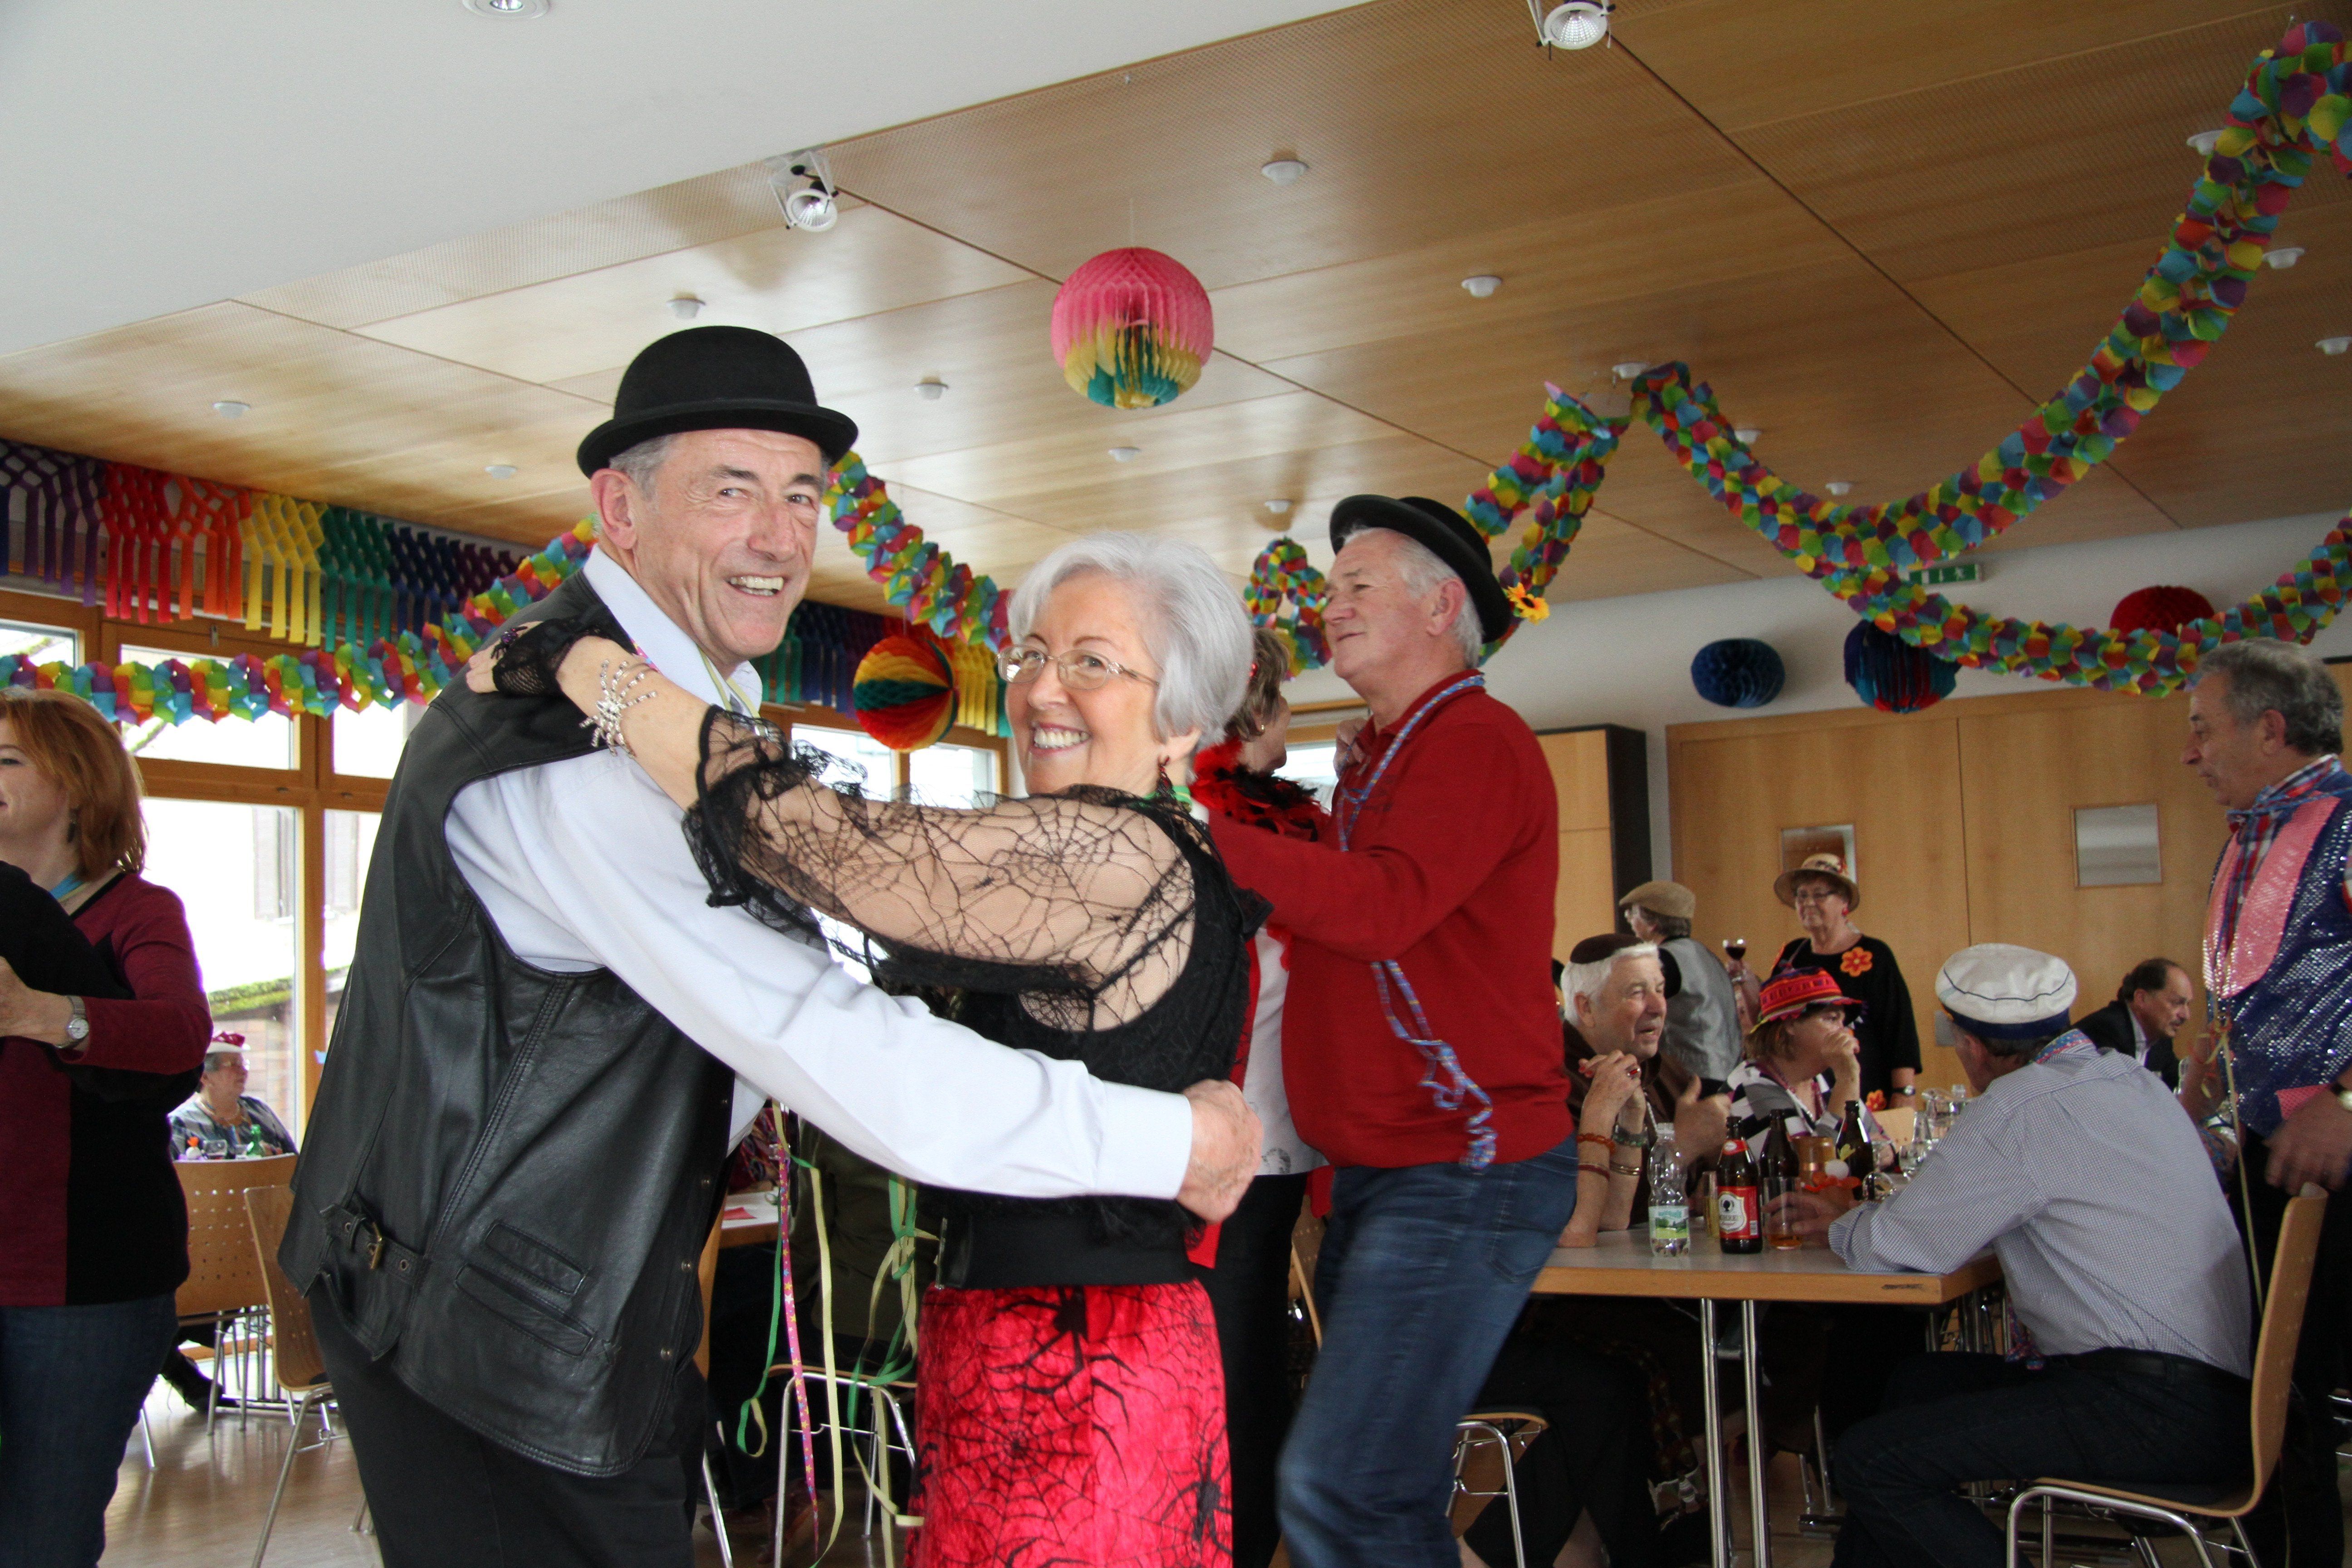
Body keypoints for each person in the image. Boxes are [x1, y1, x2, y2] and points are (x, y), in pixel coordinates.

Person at [283, 325, 1260, 1568]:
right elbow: (823, 1030)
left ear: (1182, 721)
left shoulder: (638, 715)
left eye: (801, 495)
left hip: (1065, 1362)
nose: (779, 536)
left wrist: (598, 671)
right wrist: (1174, 1142)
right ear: (618, 509)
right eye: (731, 490)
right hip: (492, 1336)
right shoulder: (581, 760)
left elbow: (831, 896)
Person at [481, 527, 1260, 1566]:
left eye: (1093, 662)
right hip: (1018, 1342)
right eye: (1031, 653)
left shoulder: (1124, 854)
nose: (1042, 689)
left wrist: (590, 668)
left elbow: (831, 848)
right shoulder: (1107, 854)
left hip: (1086, 1368)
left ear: (1181, 725)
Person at [1205, 494, 1578, 1568]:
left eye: (1358, 586)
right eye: (1330, 590)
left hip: (1461, 1167)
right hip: (1390, 1169)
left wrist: (1197, 835)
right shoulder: (1381, 759)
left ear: (1442, 604)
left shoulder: (1475, 739)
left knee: (1342, 1485)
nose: (1331, 607)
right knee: (1383, 1493)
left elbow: (1382, 908)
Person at [1781, 944, 2255, 1568]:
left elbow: (1898, 1248)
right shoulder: (2129, 1077)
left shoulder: (2018, 1106)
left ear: (1972, 1046)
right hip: (2221, 1402)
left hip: (2154, 1411)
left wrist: (1843, 1223)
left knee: (1872, 1461)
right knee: (1917, 1383)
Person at [0, 687, 212, 1568]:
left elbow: (179, 1038)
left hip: (81, 1286)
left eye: (6, 760)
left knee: (39, 1538)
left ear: (77, 786)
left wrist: (41, 1013)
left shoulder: (136, 911)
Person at [1464, 933, 1730, 1568]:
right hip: (1477, 1318)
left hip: (1520, 1297)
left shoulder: (1617, 1070)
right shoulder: (1513, 1086)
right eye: (1639, 992)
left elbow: (1611, 1218)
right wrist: (1613, 1124)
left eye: (1661, 990)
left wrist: (1631, 1126)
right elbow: (1579, 1229)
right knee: (1619, 1377)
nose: (1658, 1006)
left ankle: (1626, 1547)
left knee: (1661, 1359)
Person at [2178, 637, 2352, 1567]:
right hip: (2269, 1146)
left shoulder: (2347, 821)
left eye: (2202, 729)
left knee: (2299, 1382)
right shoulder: (2247, 835)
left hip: (2334, 1144)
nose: (2190, 753)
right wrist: (2204, 1077)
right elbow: (2252, 988)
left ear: (2269, 729)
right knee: (2277, 1383)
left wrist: (2345, 1103)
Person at [1190, 626, 1330, 1568]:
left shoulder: (1256, 824)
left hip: (1261, 1129)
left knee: (1241, 1355)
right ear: (1257, 712)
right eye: (1283, 704)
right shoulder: (1219, 827)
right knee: (1236, 1358)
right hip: (1244, 1130)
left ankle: (1245, 1542)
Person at [1757, 853, 1919, 1103]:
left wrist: (1904, 1094)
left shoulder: (1873, 955)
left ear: (1843, 900)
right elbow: (1772, 1023)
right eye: (1802, 895)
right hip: (1802, 1094)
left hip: (1866, 1092)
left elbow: (1900, 1033)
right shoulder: (1792, 955)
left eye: (1819, 894)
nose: (1808, 903)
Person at [1724, 969, 1881, 1148]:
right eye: (1832, 1019)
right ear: (1791, 1025)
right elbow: (1808, 1164)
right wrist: (1848, 1080)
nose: (1844, 1031)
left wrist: (1880, 1149)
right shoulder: (1752, 1085)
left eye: (1843, 1022)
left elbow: (1883, 1141)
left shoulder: (1825, 1077)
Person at [1618, 880, 1742, 1086]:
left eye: (1634, 913)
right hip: (1729, 1075)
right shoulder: (1706, 954)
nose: (1629, 919)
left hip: (1693, 1079)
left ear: (1653, 923)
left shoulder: (1663, 959)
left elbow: (1630, 1006)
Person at [2071, 958, 2191, 1088]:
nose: (2186, 1015)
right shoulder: (2106, 1030)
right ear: (2142, 999)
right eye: (2176, 1003)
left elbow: (2178, 1086)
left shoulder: (2161, 1040)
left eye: (2188, 1004)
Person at [170, 1041, 296, 1158]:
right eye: (233, 1064)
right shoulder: (181, 1124)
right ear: (205, 1076)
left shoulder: (260, 1111)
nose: (244, 1071)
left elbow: (294, 1161)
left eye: (243, 1064)